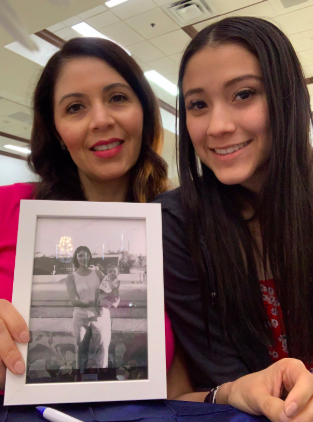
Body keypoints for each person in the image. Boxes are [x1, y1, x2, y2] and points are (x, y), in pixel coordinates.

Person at [156, 16, 313, 421]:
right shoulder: (174, 223)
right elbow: (224, 375)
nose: (218, 127)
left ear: (287, 96)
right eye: (198, 105)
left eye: (244, 94)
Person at [0, 36, 171, 391]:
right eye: (75, 107)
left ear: (144, 111)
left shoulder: (178, 225)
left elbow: (186, 385)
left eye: (117, 98)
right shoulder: (9, 207)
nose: (100, 120)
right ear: (58, 132)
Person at [66, 246, 113, 370]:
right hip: (81, 318)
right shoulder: (71, 277)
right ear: (76, 257)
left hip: (100, 317)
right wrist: (95, 302)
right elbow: (74, 301)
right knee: (81, 351)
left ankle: (102, 378)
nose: (84, 258)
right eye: (81, 255)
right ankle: (80, 378)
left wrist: (112, 292)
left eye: (86, 255)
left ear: (90, 257)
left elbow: (110, 289)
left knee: (102, 351)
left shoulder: (97, 273)